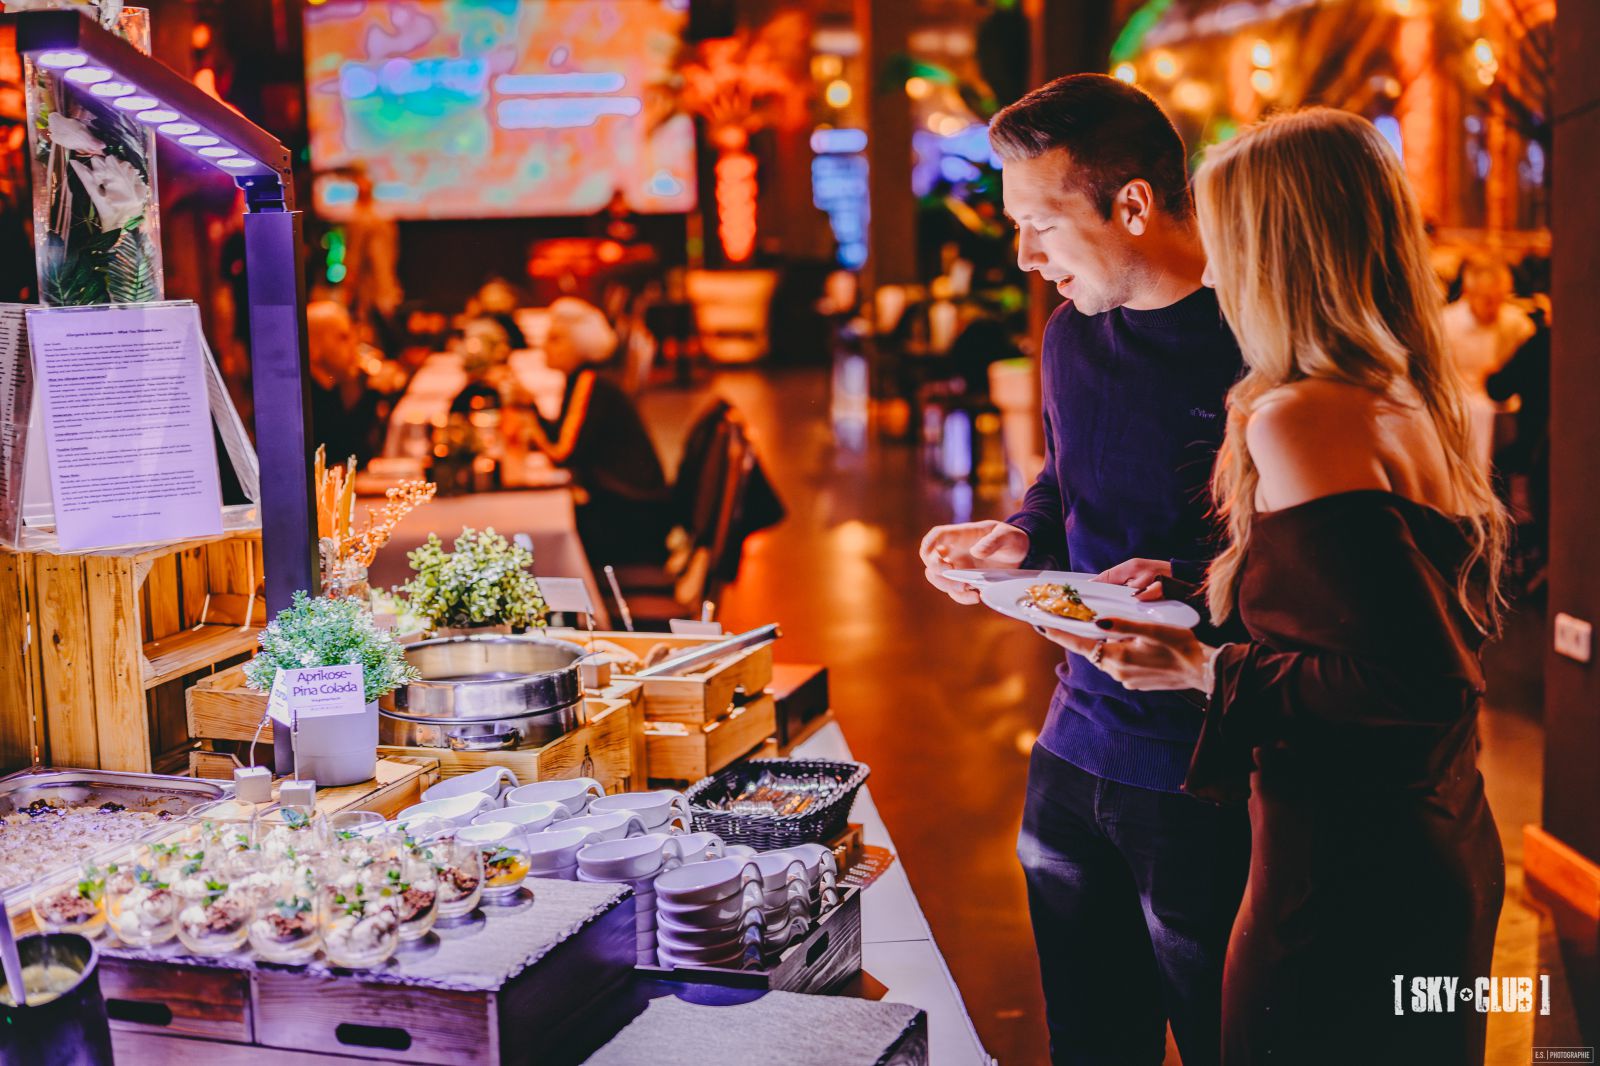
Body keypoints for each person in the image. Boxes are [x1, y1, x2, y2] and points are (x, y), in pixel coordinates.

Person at [1046, 109, 1508, 1064]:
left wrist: (1199, 668)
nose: (1208, 265)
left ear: (1275, 248)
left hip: (1344, 859)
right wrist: (1201, 584)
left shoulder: (1294, 417)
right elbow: (1373, 607)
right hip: (1444, 834)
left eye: (1221, 230)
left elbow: (1411, 685)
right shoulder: (1407, 394)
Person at [919, 75, 1248, 1066]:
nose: (1025, 257)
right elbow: (1065, 479)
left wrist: (1186, 583)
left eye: (1041, 225)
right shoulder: (1072, 334)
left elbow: (1303, 566)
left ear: (1133, 205)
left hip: (1208, 764)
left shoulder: (1256, 345)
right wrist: (1020, 539)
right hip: (1072, 748)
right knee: (1090, 1042)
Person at [533, 297, 673, 568]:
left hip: (633, 516)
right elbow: (565, 435)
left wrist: (530, 417)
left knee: (542, 531)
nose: (544, 347)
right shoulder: (583, 379)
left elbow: (564, 454)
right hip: (629, 505)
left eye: (556, 340)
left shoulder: (590, 384)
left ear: (581, 345)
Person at [1442, 253, 1535, 473]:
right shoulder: (1446, 324)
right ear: (1469, 294)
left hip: (1505, 413)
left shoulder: (1518, 325)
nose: (1494, 306)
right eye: (1487, 299)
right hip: (1459, 410)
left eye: (1500, 299)